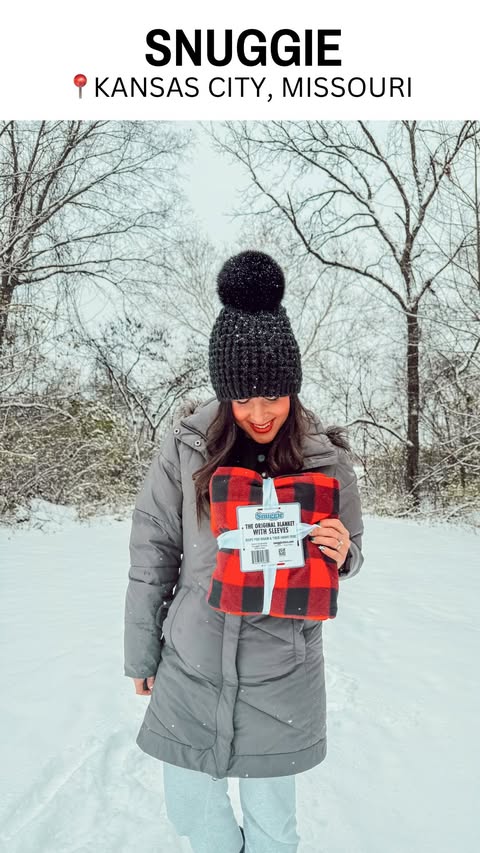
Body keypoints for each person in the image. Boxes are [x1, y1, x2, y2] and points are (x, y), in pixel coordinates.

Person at [124, 251, 364, 853]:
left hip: (280, 669)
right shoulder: (186, 450)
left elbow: (350, 548)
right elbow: (153, 551)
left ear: (294, 388)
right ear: (224, 392)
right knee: (191, 813)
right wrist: (142, 653)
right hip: (190, 659)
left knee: (272, 827)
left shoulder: (327, 459)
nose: (260, 414)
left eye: (275, 396)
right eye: (244, 399)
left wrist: (342, 551)